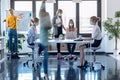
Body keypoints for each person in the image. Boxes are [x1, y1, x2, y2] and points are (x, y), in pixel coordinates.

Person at [39, 0, 52, 79]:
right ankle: (46, 74)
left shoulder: (46, 15)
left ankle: (46, 74)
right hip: (43, 40)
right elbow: (42, 7)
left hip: (45, 40)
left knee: (46, 58)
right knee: (45, 58)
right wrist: (44, 2)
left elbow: (49, 26)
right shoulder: (42, 15)